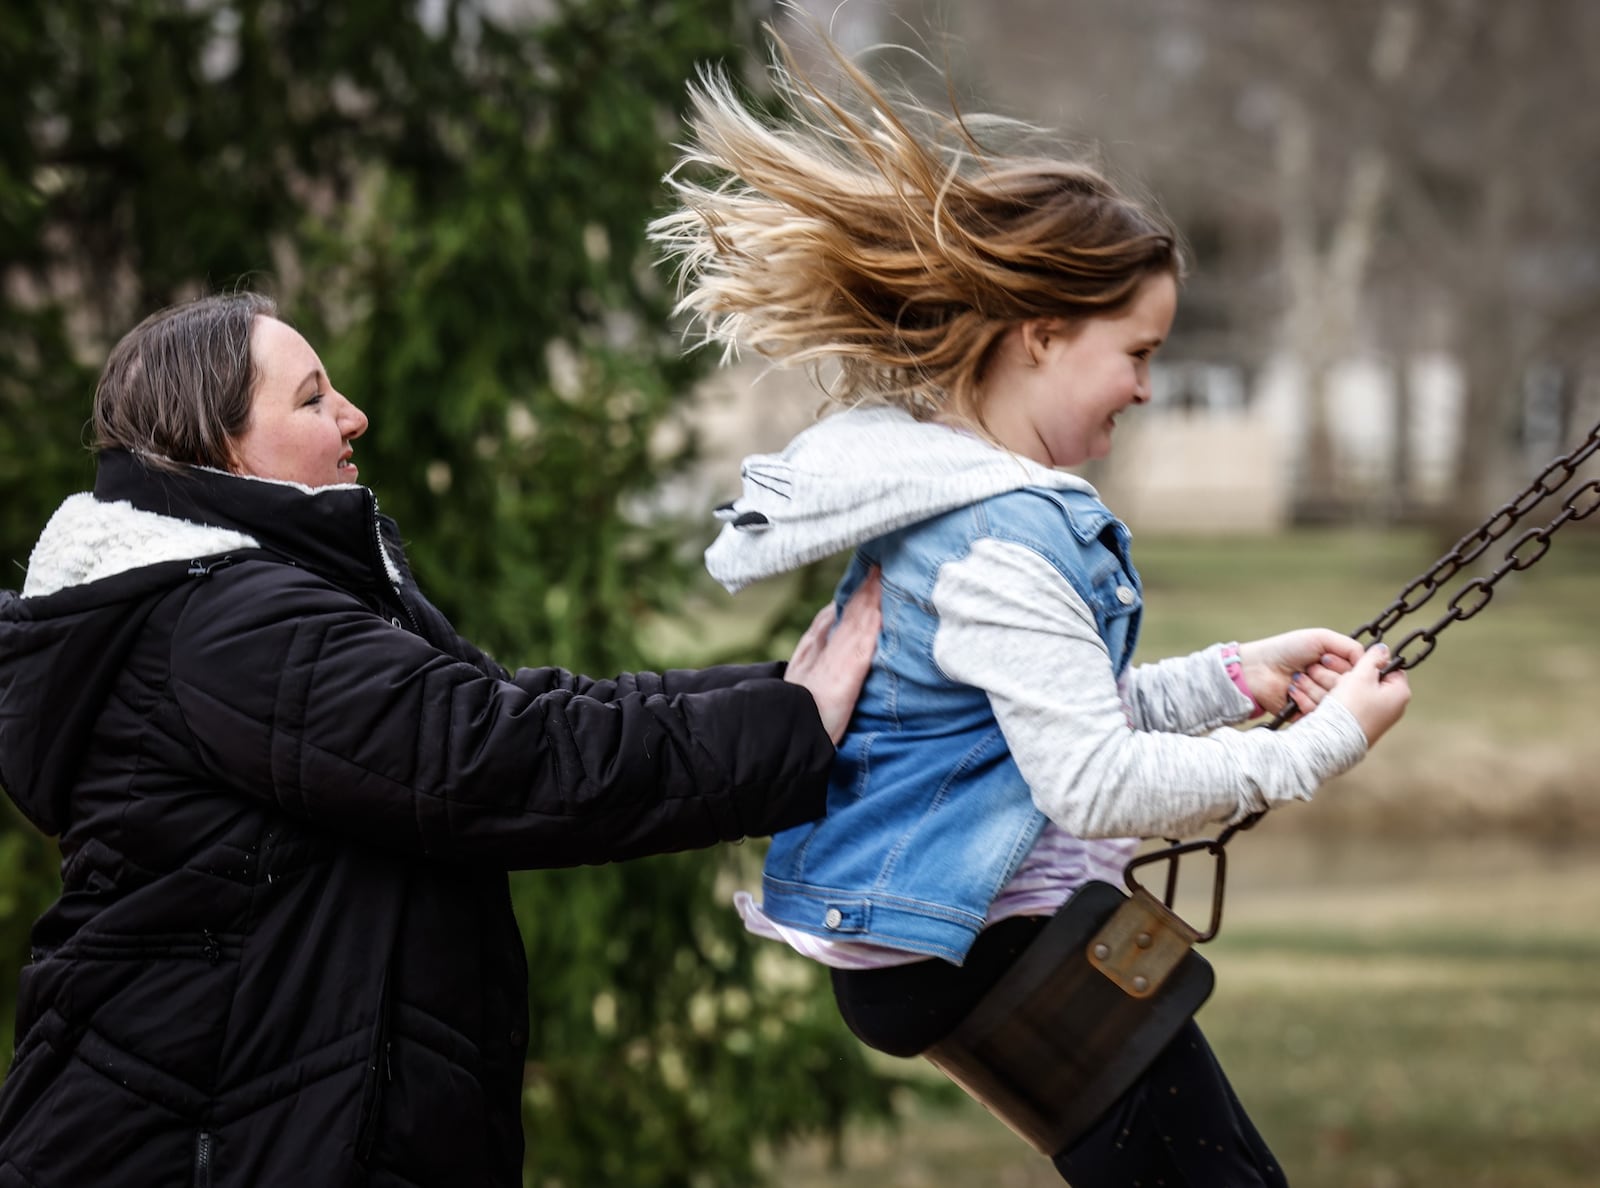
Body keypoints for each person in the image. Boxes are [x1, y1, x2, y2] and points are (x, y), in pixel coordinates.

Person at [650, 37, 1411, 1188]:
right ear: (1042, 333)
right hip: (980, 941)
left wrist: (1231, 681)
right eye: (1137, 352)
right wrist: (1321, 745)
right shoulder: (998, 534)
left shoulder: (962, 496)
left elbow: (1034, 721)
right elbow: (1090, 782)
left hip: (960, 930)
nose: (1149, 387)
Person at [0, 291, 883, 1187]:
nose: (353, 416)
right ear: (222, 447)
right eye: (311, 400)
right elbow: (498, 762)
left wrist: (788, 693)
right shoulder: (224, 622)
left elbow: (517, 707)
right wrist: (791, 722)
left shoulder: (271, 601)